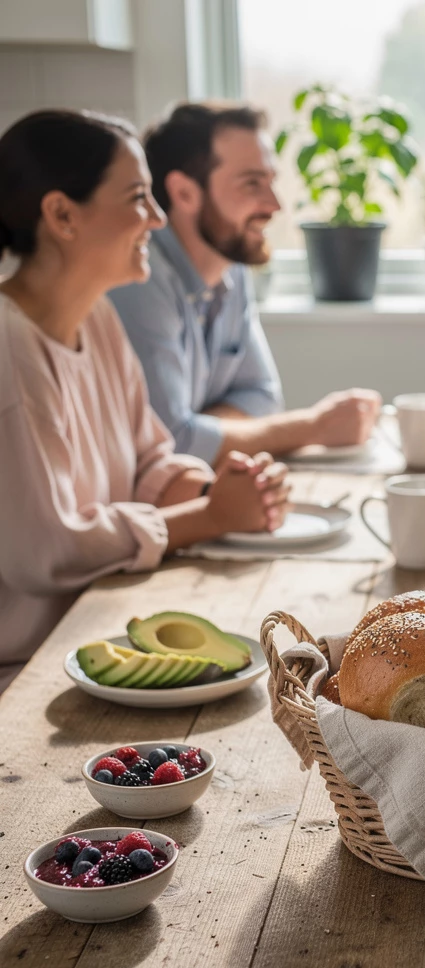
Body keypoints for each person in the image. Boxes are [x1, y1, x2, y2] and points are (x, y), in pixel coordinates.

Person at [0, 109, 291, 691]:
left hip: (95, 637)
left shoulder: (99, 319)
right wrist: (208, 516)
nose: (158, 219)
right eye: (138, 198)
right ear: (61, 215)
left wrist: (223, 489)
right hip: (22, 675)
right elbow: (47, 550)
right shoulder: (9, 347)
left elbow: (149, 458)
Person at [108, 102, 381, 466]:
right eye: (252, 183)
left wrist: (204, 429)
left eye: (271, 181)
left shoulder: (229, 264)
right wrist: (314, 427)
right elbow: (171, 445)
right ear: (185, 192)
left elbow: (263, 396)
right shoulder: (140, 279)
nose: (274, 205)